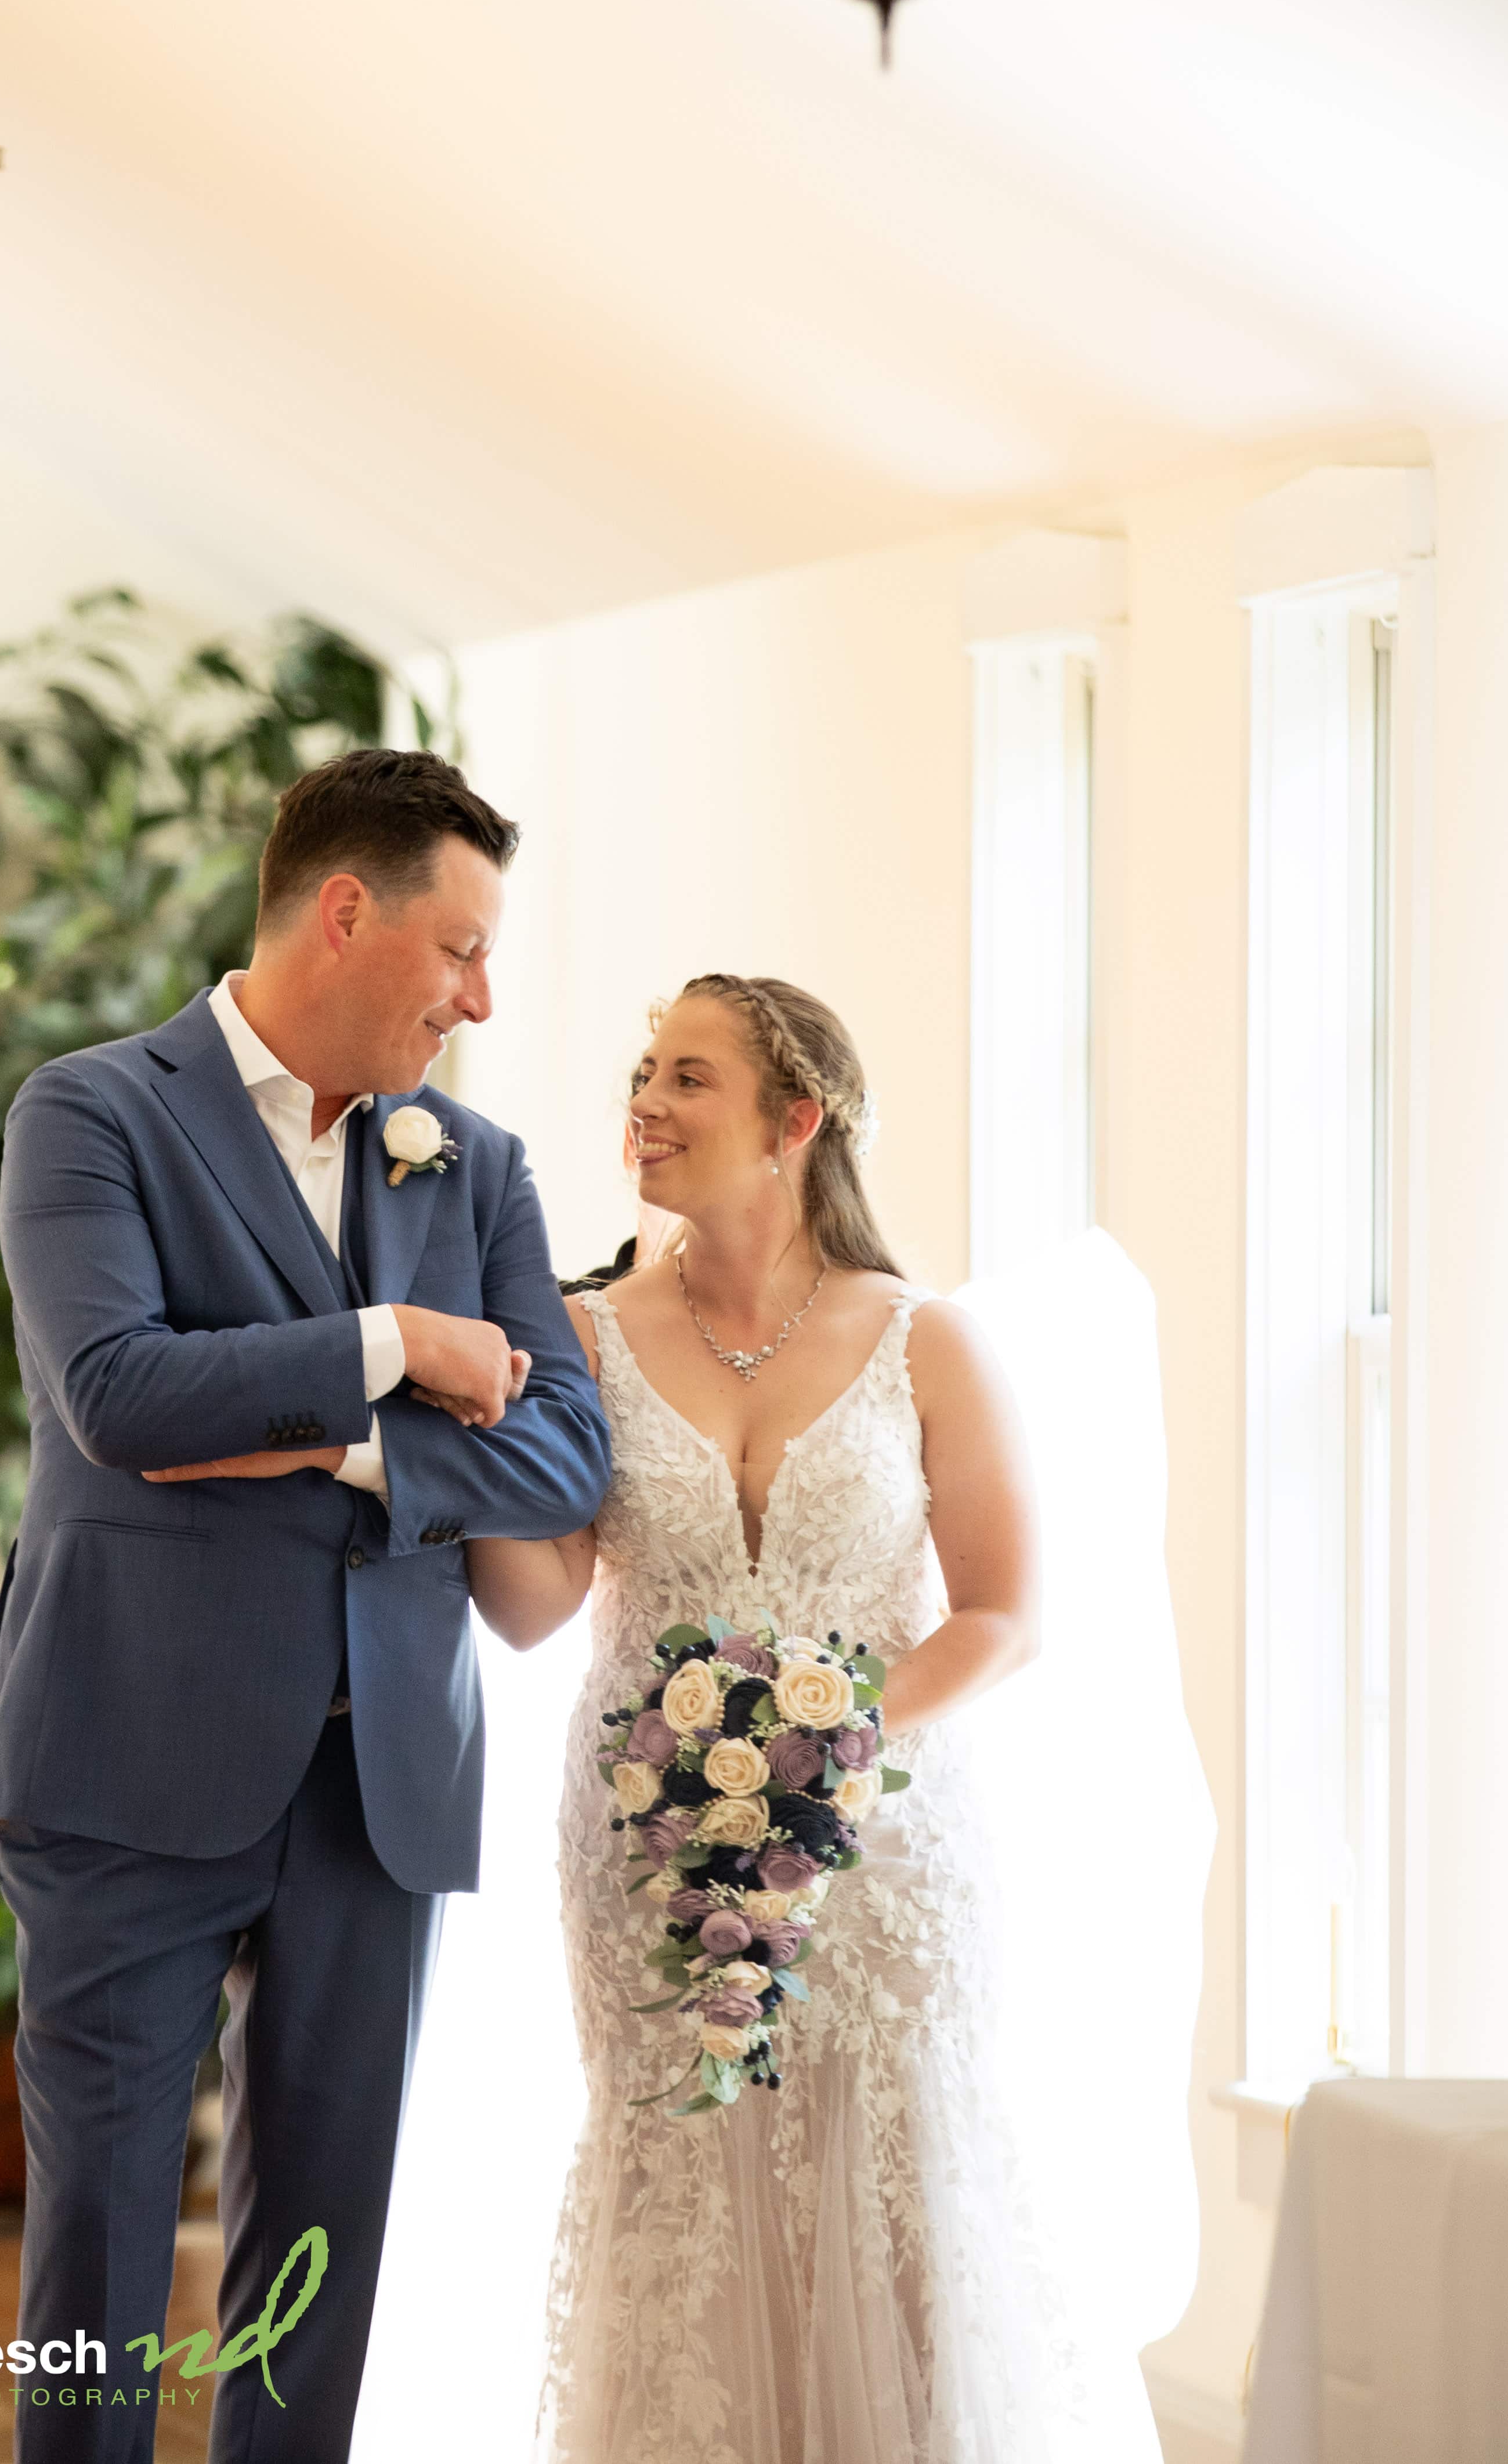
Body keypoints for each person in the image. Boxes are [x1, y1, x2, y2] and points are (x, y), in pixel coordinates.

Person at [0, 747, 613, 2464]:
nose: (482, 996)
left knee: (319, 2265)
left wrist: (334, 1451)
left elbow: (558, 1452)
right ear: (346, 912)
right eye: (459, 949)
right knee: (100, 2254)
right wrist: (405, 1353)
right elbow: (120, 1394)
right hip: (124, 1757)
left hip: (378, 1780)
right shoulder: (89, 1112)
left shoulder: (471, 1163)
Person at [459, 974, 1151, 2461]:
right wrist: (463, 1450)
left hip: (885, 1849)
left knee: (893, 2170)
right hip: (647, 1844)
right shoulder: (578, 1337)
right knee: (687, 2184)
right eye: (640, 1070)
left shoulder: (926, 1341)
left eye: (687, 1076)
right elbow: (530, 1604)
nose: (642, 1099)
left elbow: (1001, 1613)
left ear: (796, 1118)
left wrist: (817, 1743)